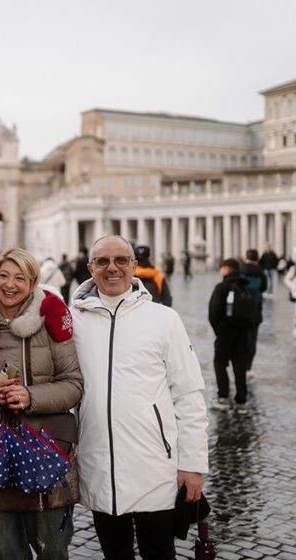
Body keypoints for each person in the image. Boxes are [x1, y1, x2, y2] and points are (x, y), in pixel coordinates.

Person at [70, 235, 208, 560]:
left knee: (159, 554)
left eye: (121, 260)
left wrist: (192, 464)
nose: (112, 268)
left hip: (155, 468)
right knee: (114, 555)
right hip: (99, 463)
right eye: (102, 261)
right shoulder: (72, 320)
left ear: (134, 266)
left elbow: (189, 394)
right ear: (91, 268)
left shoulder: (164, 319)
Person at [0, 248, 83, 560]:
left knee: (53, 551)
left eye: (20, 278)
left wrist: (30, 396)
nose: (10, 284)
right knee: (8, 552)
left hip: (47, 451)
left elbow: (74, 384)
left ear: (33, 282)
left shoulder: (52, 321)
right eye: (3, 276)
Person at [208, 259, 254, 414]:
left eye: (221, 268)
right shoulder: (246, 287)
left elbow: (213, 312)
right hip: (243, 333)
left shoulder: (222, 287)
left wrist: (219, 330)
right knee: (239, 366)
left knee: (220, 363)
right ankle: (241, 401)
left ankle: (223, 397)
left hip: (225, 332)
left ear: (227, 269)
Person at [241, 249, 268, 371]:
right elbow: (264, 287)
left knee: (242, 337)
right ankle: (248, 365)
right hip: (256, 308)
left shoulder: (240, 269)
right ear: (257, 258)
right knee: (253, 338)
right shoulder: (260, 270)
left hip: (242, 308)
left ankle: (240, 363)